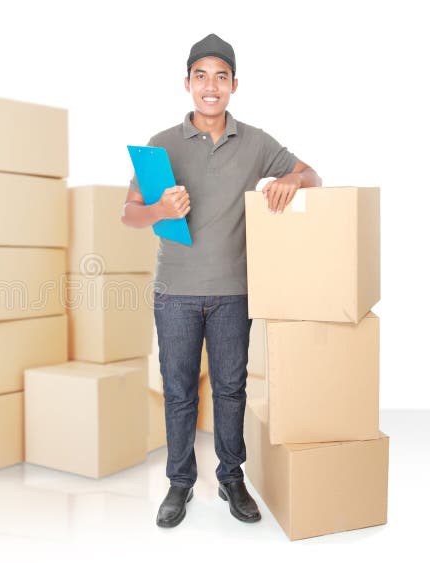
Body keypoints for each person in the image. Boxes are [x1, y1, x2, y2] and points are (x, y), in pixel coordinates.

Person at [121, 33, 322, 529]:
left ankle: (232, 477)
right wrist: (159, 209)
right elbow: (129, 214)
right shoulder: (161, 145)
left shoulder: (255, 142)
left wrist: (291, 181)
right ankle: (179, 483)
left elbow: (312, 173)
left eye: (221, 76)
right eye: (201, 76)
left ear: (234, 84)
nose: (211, 86)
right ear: (187, 83)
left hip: (234, 290)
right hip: (175, 294)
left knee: (231, 389)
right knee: (179, 391)